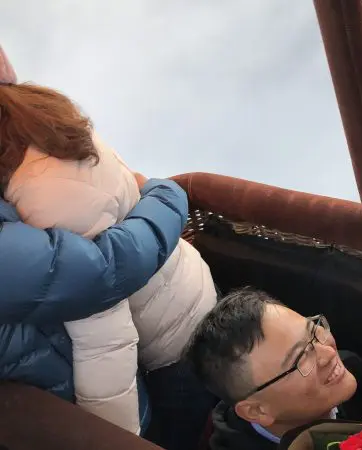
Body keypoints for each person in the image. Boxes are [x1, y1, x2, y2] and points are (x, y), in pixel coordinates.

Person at [0, 45, 217, 449]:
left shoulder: (42, 190)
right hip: (182, 296)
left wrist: (117, 438)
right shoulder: (40, 125)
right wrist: (163, 194)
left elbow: (103, 330)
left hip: (175, 343)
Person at [184, 288, 362, 450]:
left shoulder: (351, 369)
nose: (328, 353)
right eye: (300, 359)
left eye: (314, 331)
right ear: (257, 410)